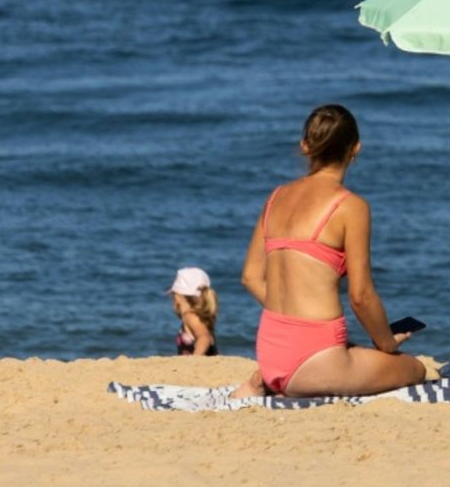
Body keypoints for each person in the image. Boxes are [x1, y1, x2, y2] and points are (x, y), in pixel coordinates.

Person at [237, 104, 426, 397]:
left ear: (305, 146)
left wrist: (292, 321)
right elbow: (360, 296)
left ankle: (266, 381)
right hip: (315, 358)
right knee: (414, 369)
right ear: (355, 149)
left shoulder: (276, 198)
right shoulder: (350, 207)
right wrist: (387, 343)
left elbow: (250, 277)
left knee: (352, 354)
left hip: (270, 350)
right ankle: (299, 379)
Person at [166, 267, 218, 356]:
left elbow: (204, 338)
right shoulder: (199, 316)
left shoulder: (191, 316)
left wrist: (195, 359)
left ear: (178, 297)